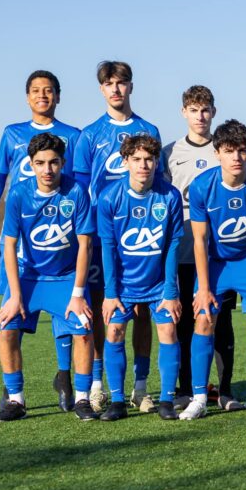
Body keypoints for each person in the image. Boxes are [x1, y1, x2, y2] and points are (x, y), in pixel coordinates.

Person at [0, 70, 82, 412]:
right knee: (12, 315)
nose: (42, 95)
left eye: (49, 90)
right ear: (27, 97)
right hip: (21, 246)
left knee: (67, 317)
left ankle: (65, 377)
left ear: (58, 96)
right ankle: (13, 393)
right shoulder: (13, 134)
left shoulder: (72, 136)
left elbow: (79, 185)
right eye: (36, 90)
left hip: (60, 240)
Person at [73, 61, 161, 414]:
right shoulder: (89, 134)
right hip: (100, 238)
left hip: (141, 235)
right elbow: (81, 190)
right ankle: (98, 385)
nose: (116, 89)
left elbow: (158, 181)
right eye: (109, 83)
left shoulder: (148, 128)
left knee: (142, 312)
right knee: (101, 310)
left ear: (131, 87)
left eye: (121, 83)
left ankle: (140, 388)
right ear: (101, 89)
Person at [182, 119, 246, 421]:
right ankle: (199, 398)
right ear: (217, 153)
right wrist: (202, 286)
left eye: (242, 150)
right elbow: (199, 239)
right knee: (203, 321)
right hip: (218, 263)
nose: (236, 157)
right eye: (229, 151)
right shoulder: (203, 186)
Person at [0, 133, 96, 422]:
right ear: (31, 164)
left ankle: (83, 398)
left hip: (66, 278)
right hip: (30, 278)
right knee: (6, 328)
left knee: (84, 330)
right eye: (40, 163)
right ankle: (15, 399)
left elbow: (85, 245)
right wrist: (14, 296)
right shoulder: (18, 193)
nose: (47, 170)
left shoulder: (76, 191)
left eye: (53, 163)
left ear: (63, 163)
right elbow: (10, 244)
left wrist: (77, 294)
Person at [162, 85, 241, 411]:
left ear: (214, 112)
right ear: (184, 113)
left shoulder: (223, 149)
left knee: (220, 320)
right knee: (183, 320)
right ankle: (185, 388)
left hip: (217, 253)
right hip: (182, 248)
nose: (200, 116)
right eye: (194, 110)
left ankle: (224, 390)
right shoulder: (169, 153)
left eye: (205, 109)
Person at [96, 135, 183, 421]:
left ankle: (167, 400)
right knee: (114, 332)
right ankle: (118, 401)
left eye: (149, 159)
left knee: (168, 331)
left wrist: (171, 291)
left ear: (157, 162)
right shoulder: (110, 198)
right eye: (136, 159)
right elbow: (108, 249)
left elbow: (172, 246)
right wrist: (111, 293)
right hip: (123, 285)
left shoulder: (169, 195)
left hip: (159, 285)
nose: (143, 165)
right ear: (125, 162)